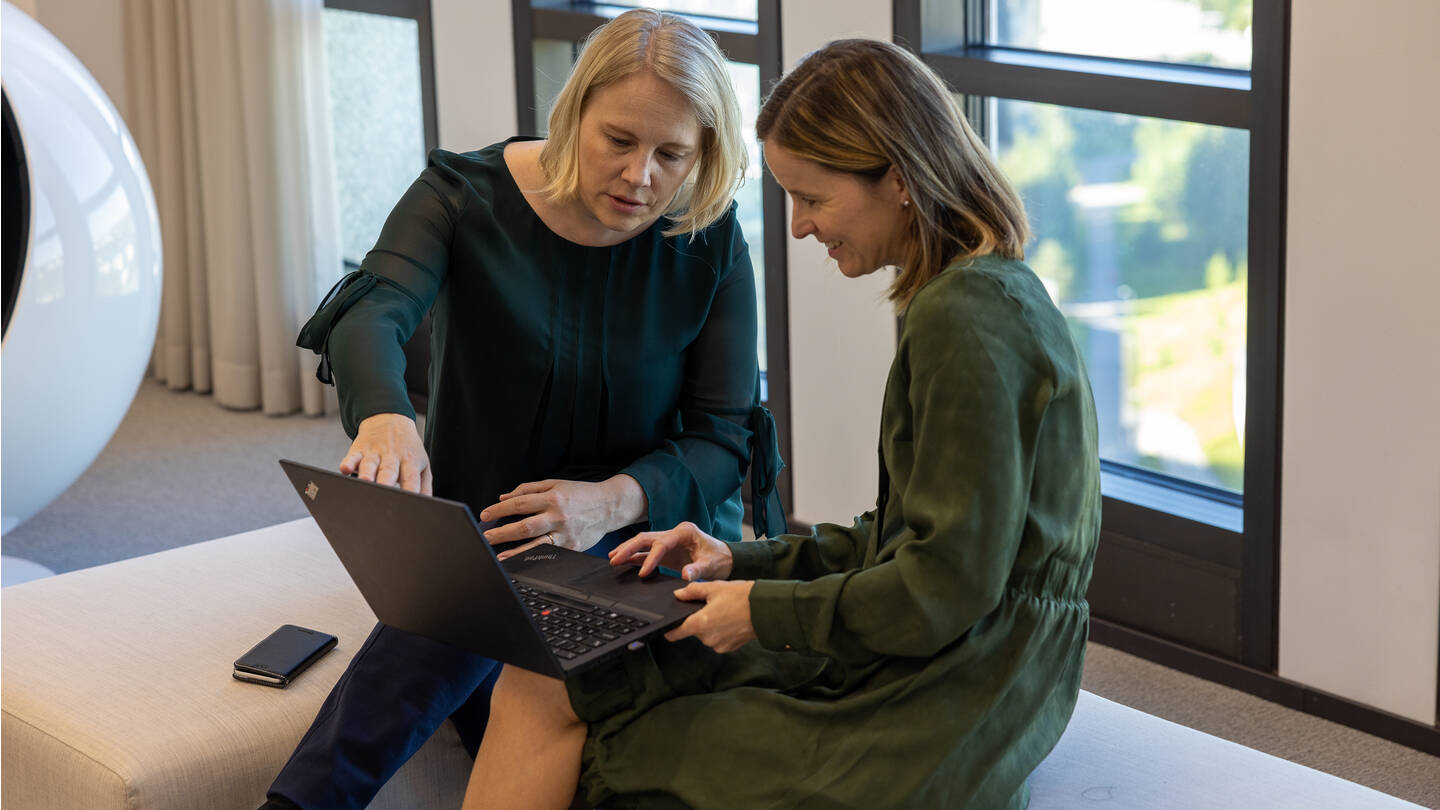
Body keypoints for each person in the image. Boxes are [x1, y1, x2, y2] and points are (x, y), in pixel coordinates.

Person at [460, 37, 1103, 810]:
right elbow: (905, 542)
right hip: (941, 652)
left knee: (613, 725)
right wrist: (742, 563)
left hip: (951, 691)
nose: (797, 227)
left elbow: (942, 591)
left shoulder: (968, 319)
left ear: (897, 179)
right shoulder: (978, 296)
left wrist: (762, 613)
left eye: (813, 198)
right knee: (551, 670)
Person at [261, 9, 786, 810]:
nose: (642, 175)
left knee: (472, 620)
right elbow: (376, 309)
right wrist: (385, 416)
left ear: (703, 154)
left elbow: (722, 437)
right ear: (572, 112)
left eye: (672, 153)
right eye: (619, 139)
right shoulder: (463, 193)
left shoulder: (708, 235)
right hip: (490, 532)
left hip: (643, 533)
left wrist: (610, 498)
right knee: (479, 597)